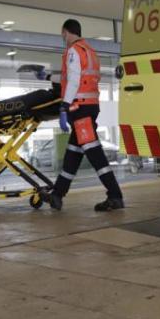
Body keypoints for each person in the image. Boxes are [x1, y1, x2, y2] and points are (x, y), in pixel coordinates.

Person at [39, 19, 124, 211]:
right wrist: (47, 77)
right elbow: (70, 78)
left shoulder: (73, 51)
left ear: (66, 32)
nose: (62, 37)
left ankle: (115, 196)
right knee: (73, 154)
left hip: (79, 109)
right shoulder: (89, 51)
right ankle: (57, 195)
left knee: (95, 155)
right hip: (90, 106)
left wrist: (64, 106)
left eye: (63, 34)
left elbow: (74, 81)